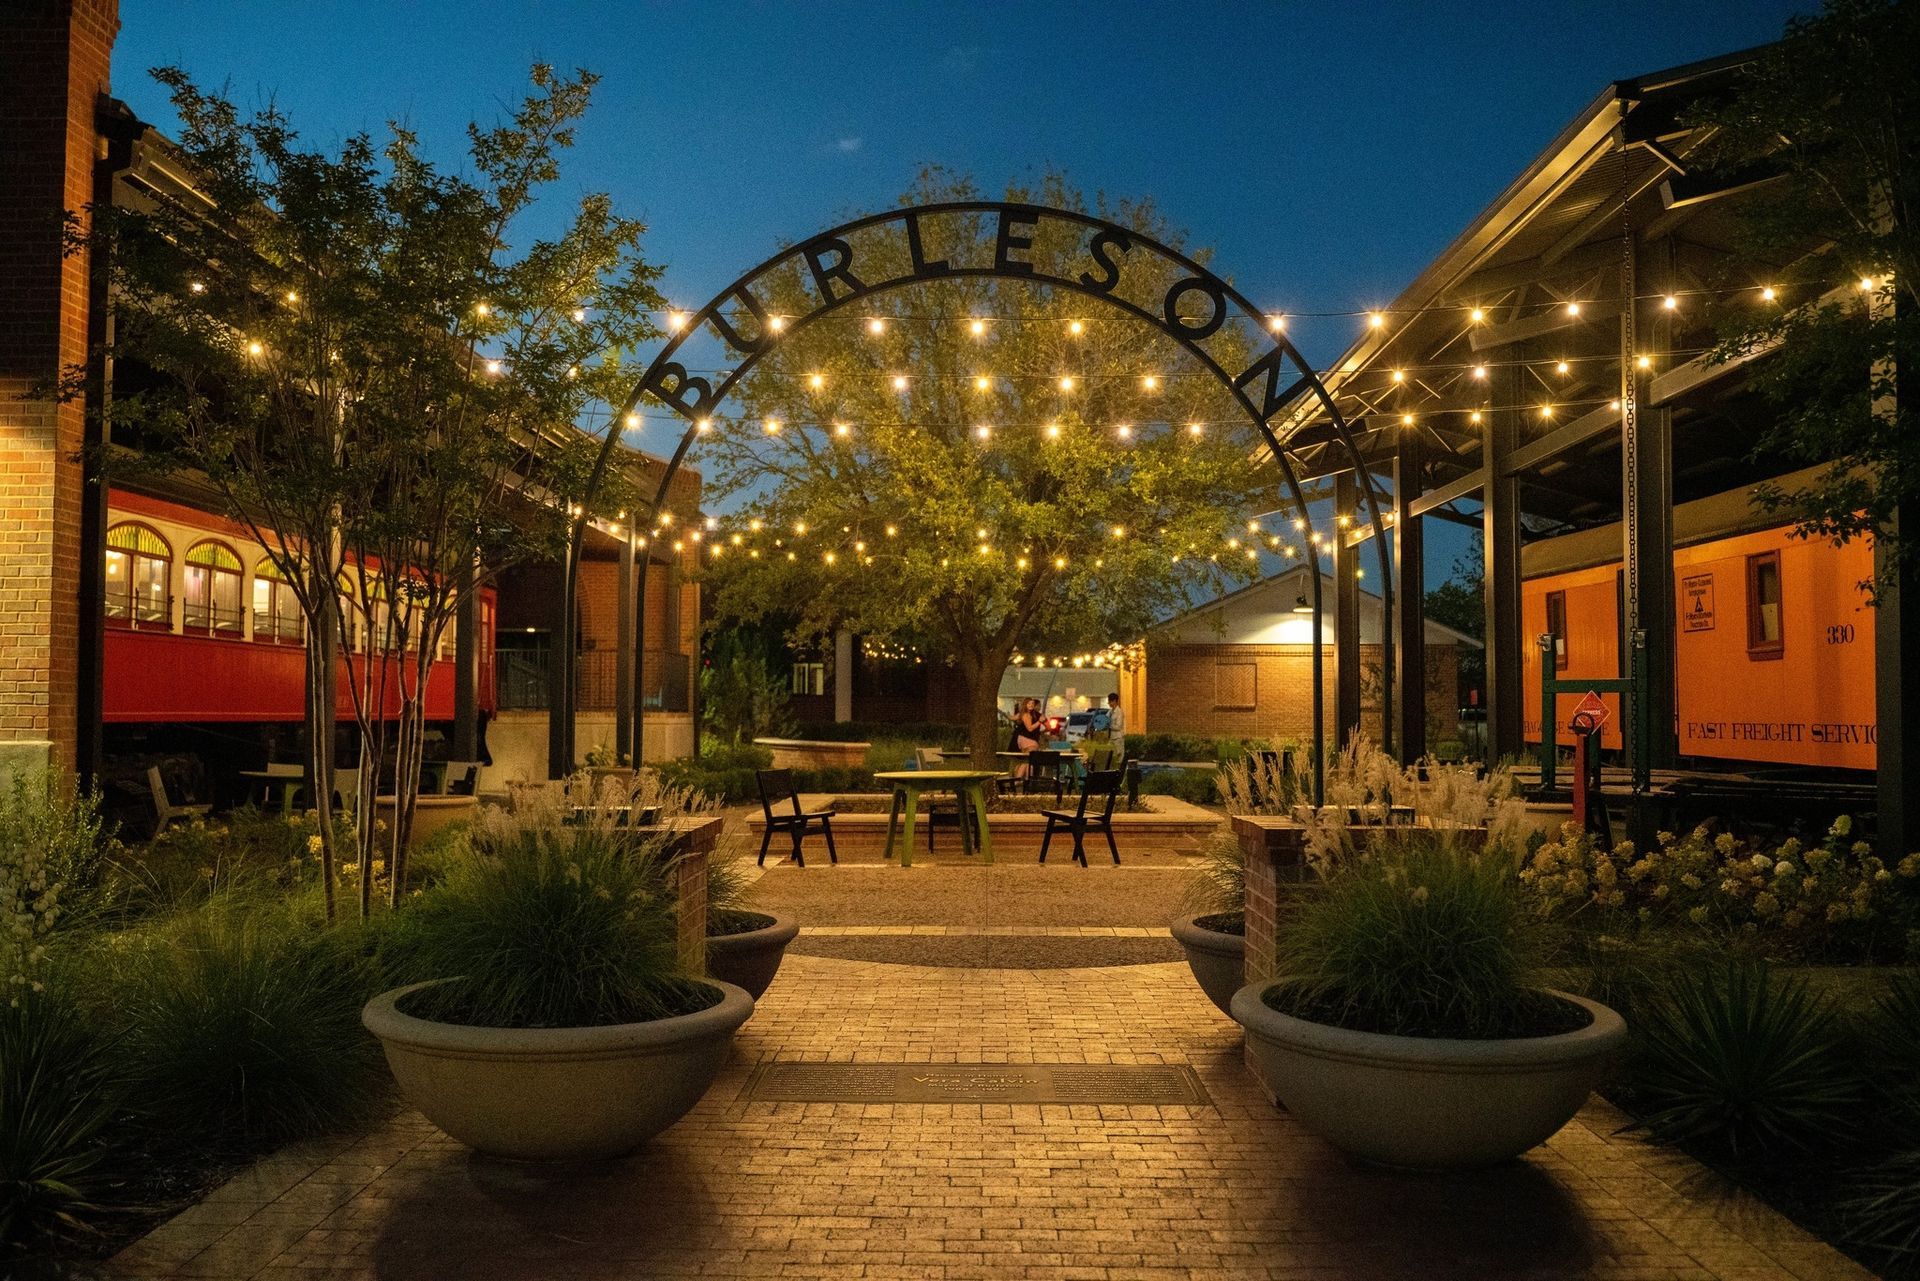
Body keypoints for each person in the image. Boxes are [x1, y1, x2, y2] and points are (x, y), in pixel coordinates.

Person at [1105, 692, 1126, 766]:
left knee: (1119, 756)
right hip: (1111, 737)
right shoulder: (1110, 712)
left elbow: (1118, 726)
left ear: (1115, 701)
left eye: (1110, 701)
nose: (1109, 703)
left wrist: (1109, 725)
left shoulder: (1119, 712)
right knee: (1109, 755)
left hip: (1118, 738)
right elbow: (1105, 720)